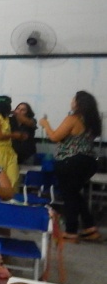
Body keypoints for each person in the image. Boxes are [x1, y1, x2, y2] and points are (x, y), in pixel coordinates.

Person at [39, 91, 101, 242]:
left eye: (74, 99)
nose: (71, 101)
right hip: (88, 162)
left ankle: (71, 231)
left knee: (69, 196)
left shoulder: (73, 118)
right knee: (74, 194)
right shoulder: (92, 121)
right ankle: (90, 228)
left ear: (79, 103)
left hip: (71, 161)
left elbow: (54, 137)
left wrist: (45, 124)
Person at [0, 99, 23, 188]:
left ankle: (11, 194)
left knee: (13, 177)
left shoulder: (5, 118)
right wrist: (14, 135)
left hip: (8, 150)